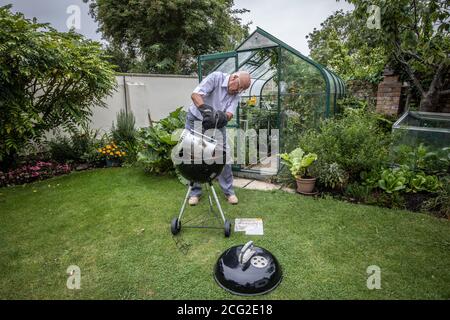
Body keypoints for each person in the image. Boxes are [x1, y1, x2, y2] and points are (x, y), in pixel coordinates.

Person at [185, 70, 251, 206]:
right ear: (233, 78)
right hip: (196, 119)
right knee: (195, 154)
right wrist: (205, 109)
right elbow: (195, 95)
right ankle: (195, 192)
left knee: (223, 154)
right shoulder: (216, 78)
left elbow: (229, 113)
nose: (238, 92)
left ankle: (229, 191)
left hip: (216, 123)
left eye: (242, 90)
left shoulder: (237, 93)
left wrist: (223, 118)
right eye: (238, 88)